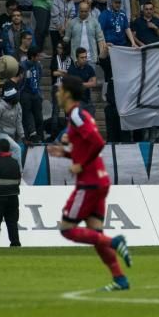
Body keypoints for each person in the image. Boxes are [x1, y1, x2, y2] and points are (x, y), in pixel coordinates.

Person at [48, 75, 131, 291]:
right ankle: (120, 279)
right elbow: (87, 146)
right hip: (99, 180)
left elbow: (98, 142)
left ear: (66, 93)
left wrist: (80, 164)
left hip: (89, 182)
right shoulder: (78, 115)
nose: (57, 93)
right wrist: (67, 155)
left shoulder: (76, 114)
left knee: (66, 229)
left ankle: (116, 241)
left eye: (59, 90)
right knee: (96, 234)